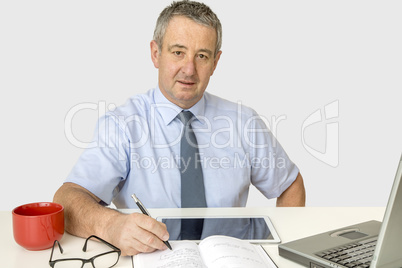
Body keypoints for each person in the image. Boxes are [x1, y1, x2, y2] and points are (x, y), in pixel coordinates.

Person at [54, 0, 305, 256]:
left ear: (215, 62)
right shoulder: (122, 125)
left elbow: (289, 184)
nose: (189, 69)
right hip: (154, 260)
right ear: (155, 53)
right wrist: (111, 226)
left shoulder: (244, 122)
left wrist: (283, 252)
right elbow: (67, 199)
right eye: (178, 52)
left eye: (202, 56)